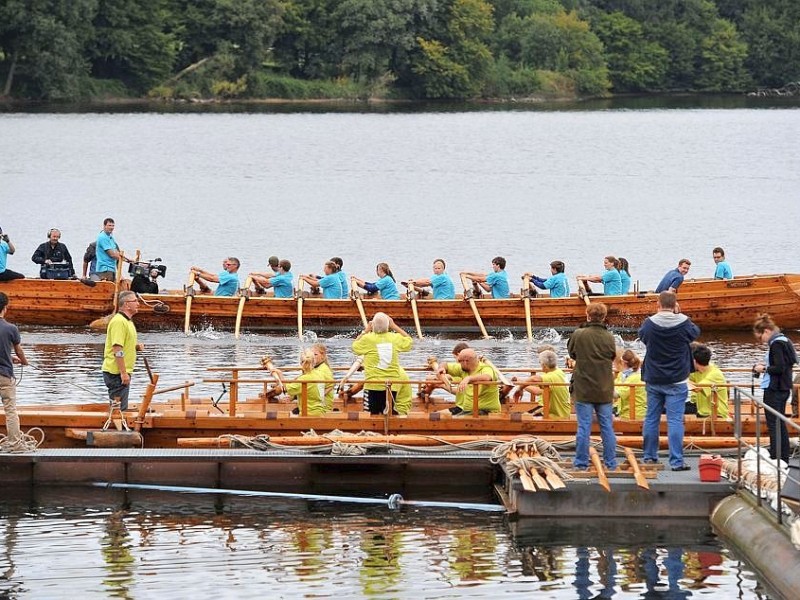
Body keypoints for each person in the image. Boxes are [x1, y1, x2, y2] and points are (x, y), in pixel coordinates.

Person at [639, 291, 700, 470]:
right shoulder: (684, 323)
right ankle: (676, 461)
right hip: (677, 378)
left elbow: (643, 337)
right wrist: (679, 314)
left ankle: (649, 457)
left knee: (651, 418)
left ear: (658, 304)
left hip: (654, 377)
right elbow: (695, 333)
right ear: (675, 305)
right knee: (674, 420)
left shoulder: (649, 324)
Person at [567, 303, 618, 471]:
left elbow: (572, 353)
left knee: (584, 427)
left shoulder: (579, 334)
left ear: (587, 314)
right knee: (607, 427)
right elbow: (612, 355)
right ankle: (610, 463)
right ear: (604, 317)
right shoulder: (609, 336)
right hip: (604, 387)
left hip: (583, 387)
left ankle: (581, 462)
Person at [752, 314, 798, 463]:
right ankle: (782, 456)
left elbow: (779, 367)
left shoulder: (776, 344)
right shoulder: (785, 340)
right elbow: (789, 363)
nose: (761, 341)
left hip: (775, 388)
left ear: (766, 331)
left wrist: (762, 368)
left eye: (760, 338)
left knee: (773, 423)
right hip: (784, 387)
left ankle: (776, 456)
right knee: (780, 422)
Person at [351, 312, 413, 414]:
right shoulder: (395, 338)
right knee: (388, 414)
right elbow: (409, 341)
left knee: (371, 415)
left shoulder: (368, 338)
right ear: (388, 325)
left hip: (373, 385)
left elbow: (354, 346)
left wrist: (366, 330)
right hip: (390, 385)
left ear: (372, 325)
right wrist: (394, 326)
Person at [102, 290, 143, 412]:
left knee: (121, 408)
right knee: (118, 410)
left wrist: (135, 346)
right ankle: (116, 429)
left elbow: (124, 343)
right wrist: (123, 373)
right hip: (116, 373)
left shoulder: (128, 321)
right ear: (126, 304)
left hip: (122, 372)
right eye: (135, 301)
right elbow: (117, 348)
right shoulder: (119, 321)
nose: (138, 304)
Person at [0, 292, 28, 445]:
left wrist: (10, 358)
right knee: (10, 411)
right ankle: (15, 443)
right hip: (4, 376)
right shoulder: (11, 328)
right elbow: (19, 350)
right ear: (5, 308)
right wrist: (24, 361)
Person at [438, 347, 500, 415]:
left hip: (485, 411)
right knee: (438, 416)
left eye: (459, 361)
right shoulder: (463, 369)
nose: (458, 363)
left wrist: (469, 378)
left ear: (465, 361)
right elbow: (445, 364)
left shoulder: (486, 368)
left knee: (450, 421)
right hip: (467, 410)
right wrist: (441, 368)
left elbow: (487, 377)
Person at [270, 348, 332, 416]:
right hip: (320, 412)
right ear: (314, 361)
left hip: (308, 414)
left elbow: (284, 390)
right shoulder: (319, 374)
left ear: (301, 363)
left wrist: (280, 374)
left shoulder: (303, 379)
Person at [511, 349, 570, 418]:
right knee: (524, 415)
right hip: (560, 412)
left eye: (540, 363)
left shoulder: (550, 377)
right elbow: (535, 383)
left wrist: (520, 388)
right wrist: (520, 381)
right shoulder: (559, 372)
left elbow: (534, 380)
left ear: (544, 365)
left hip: (556, 416)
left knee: (517, 419)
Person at [688, 344, 729, 420]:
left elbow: (696, 388)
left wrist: (680, 380)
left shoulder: (715, 374)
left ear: (694, 361)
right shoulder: (699, 371)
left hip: (716, 415)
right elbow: (686, 377)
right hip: (702, 411)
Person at [613, 349, 646, 419]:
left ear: (623, 362)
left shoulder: (635, 377)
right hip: (623, 412)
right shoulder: (622, 374)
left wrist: (601, 385)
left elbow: (616, 394)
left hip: (635, 415)